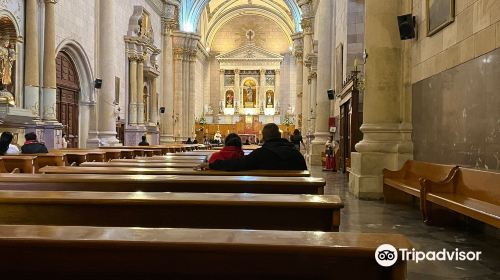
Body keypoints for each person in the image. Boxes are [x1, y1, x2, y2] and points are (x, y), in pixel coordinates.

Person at [208, 123, 307, 171]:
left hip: (267, 196)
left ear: (263, 138)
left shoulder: (260, 154)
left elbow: (239, 164)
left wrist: (213, 164)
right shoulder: (296, 154)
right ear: (280, 135)